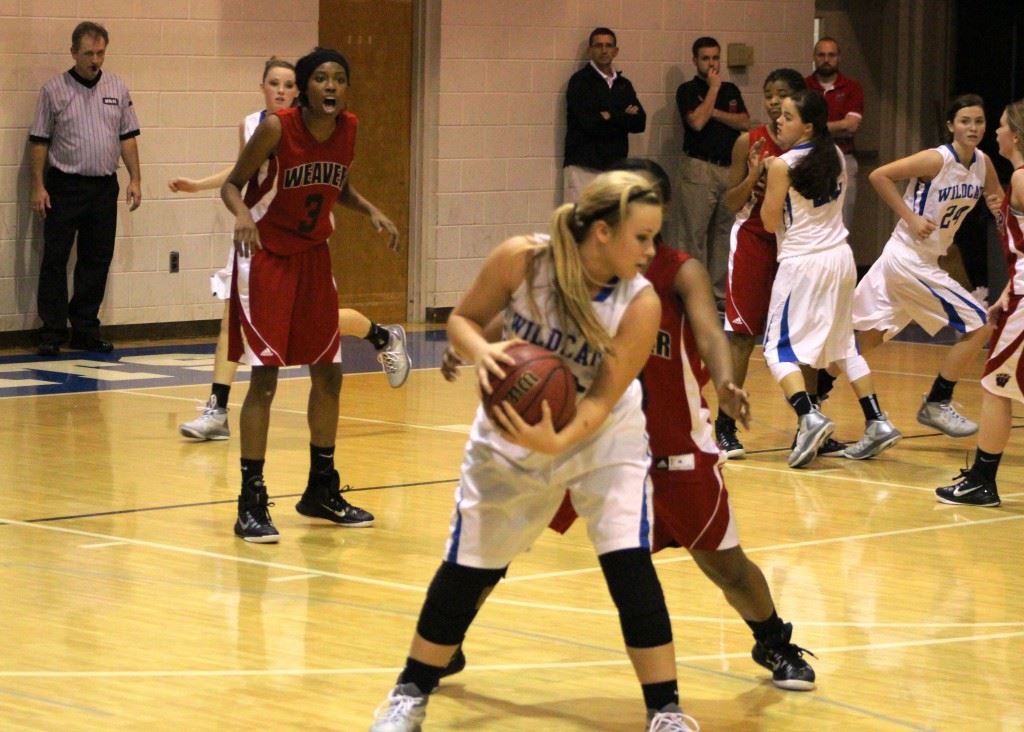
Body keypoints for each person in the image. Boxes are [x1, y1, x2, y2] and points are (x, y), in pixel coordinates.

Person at [369, 172, 698, 732]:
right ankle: (409, 693)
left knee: (628, 560)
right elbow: (463, 319)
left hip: (602, 437)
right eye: (641, 238)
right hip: (508, 429)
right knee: (469, 563)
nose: (651, 251)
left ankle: (666, 712)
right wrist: (483, 352)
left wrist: (558, 442)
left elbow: (599, 400)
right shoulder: (522, 259)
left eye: (654, 238)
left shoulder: (640, 303)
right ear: (601, 232)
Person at [543, 159, 815, 692]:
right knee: (506, 531)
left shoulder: (678, 270)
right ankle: (447, 637)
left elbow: (712, 334)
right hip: (597, 444)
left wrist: (726, 379)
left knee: (725, 566)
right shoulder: (585, 269)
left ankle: (774, 640)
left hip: (674, 445)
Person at [170, 58, 408, 442]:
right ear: (262, 86)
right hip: (259, 242)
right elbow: (240, 173)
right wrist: (202, 187)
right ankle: (218, 407)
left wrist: (370, 210)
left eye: (286, 85)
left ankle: (381, 336)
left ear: (297, 90)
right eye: (273, 84)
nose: (281, 91)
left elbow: (337, 182)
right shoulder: (259, 126)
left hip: (307, 244)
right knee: (236, 323)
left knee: (319, 328)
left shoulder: (337, 128)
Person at [221, 48, 377, 543]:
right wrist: (243, 216)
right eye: (322, 79)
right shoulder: (275, 128)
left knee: (329, 373)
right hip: (266, 255)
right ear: (305, 87)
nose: (331, 87)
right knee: (265, 379)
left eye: (339, 79)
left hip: (313, 256)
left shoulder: (349, 128)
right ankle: (250, 499)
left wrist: (369, 209)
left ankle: (320, 489)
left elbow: (337, 184)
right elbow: (231, 185)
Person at [818, 95, 1002, 439]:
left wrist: (998, 208)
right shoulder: (936, 159)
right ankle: (937, 401)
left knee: (867, 339)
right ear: (951, 125)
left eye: (978, 121)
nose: (973, 127)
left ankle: (813, 398)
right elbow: (879, 176)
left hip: (918, 260)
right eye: (965, 121)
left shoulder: (983, 163)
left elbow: (998, 203)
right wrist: (911, 217)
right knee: (980, 324)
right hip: (907, 258)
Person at [761, 90, 899, 468]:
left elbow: (769, 221)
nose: (779, 121)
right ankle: (876, 420)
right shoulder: (835, 154)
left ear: (807, 125)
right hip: (841, 259)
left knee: (777, 348)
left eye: (787, 116)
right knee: (841, 346)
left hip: (803, 263)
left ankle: (808, 415)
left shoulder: (782, 165)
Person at [713, 68, 844, 459]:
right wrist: (754, 173)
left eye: (781, 95)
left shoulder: (820, 149)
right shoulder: (748, 141)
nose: (772, 101)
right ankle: (725, 425)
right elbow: (731, 202)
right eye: (768, 94)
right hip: (756, 240)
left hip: (799, 248)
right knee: (741, 336)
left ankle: (808, 425)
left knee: (804, 340)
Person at [29, 21, 141, 357]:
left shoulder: (117, 88)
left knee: (96, 259)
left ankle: (85, 329)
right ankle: (51, 332)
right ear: (74, 53)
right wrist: (38, 185)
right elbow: (38, 142)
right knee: (55, 259)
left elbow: (127, 137)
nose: (95, 60)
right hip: (64, 186)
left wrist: (136, 178)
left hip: (104, 187)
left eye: (101, 52)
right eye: (89, 53)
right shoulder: (54, 91)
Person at [935, 99, 1024, 507]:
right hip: (1018, 291)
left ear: (1016, 136)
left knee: (995, 386)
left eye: (1001, 126)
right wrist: (1008, 288)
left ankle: (982, 480)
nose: (996, 132)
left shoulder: (1022, 179)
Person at [676, 36, 750, 306]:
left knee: (723, 234)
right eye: (706, 58)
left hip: (728, 168)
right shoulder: (687, 90)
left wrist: (715, 111)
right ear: (695, 60)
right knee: (693, 234)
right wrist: (713, 90)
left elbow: (744, 121)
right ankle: (692, 294)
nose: (711, 63)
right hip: (699, 168)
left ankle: (719, 295)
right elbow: (696, 121)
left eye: (715, 58)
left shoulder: (731, 89)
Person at [562, 27, 646, 203]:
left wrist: (609, 116)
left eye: (608, 45)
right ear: (590, 50)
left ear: (616, 51)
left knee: (610, 225)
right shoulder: (580, 82)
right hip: (583, 166)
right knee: (581, 224)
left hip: (615, 168)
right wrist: (623, 115)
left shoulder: (624, 85)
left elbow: (639, 122)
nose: (604, 50)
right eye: (598, 45)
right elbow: (590, 123)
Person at [805, 37, 863, 230]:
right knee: (810, 222)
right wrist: (839, 126)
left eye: (831, 55)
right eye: (821, 54)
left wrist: (814, 127)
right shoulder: (803, 87)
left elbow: (851, 126)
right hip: (809, 159)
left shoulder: (852, 88)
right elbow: (798, 127)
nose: (826, 59)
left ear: (839, 58)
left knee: (842, 223)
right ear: (814, 57)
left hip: (843, 160)